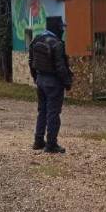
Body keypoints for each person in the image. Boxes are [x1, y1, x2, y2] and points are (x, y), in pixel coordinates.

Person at [29, 16, 73, 154]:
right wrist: (67, 82)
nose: (63, 30)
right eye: (61, 27)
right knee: (53, 113)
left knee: (42, 111)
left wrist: (36, 77)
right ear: (57, 27)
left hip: (41, 80)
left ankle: (38, 140)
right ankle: (51, 144)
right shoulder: (57, 43)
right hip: (53, 83)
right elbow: (60, 66)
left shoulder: (37, 39)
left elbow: (31, 61)